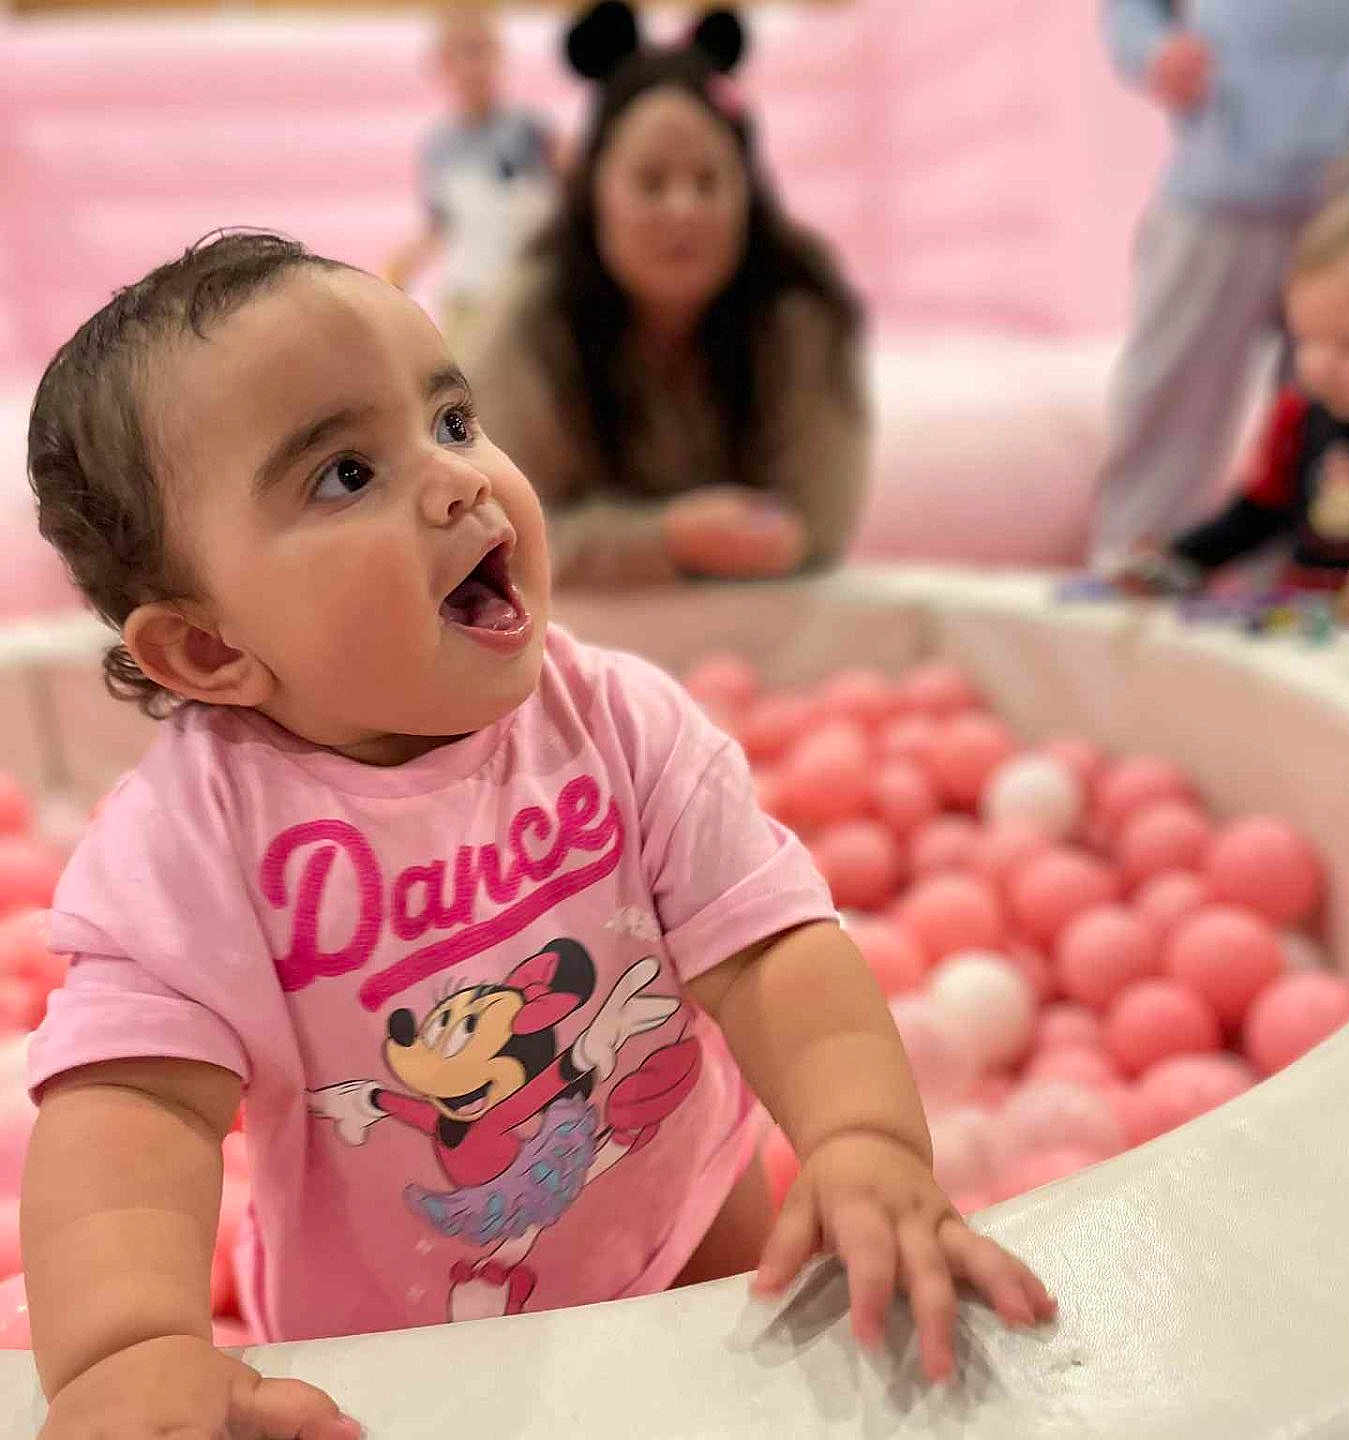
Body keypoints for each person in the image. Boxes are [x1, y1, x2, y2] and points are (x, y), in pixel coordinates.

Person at [21, 231, 1053, 1438]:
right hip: (393, 1340)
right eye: (346, 474)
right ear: (208, 651)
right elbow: (137, 1109)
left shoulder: (617, 720)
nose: (456, 480)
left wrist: (863, 1138)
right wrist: (129, 1349)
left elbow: (772, 949)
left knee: (736, 1403)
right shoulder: (190, 841)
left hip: (684, 1215)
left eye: (452, 421)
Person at [461, 3, 869, 588]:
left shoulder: (800, 314)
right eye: (651, 182)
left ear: (748, 197)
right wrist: (667, 538)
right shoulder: (529, 321)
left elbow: (821, 523)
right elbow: (490, 531)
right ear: (594, 193)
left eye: (708, 181)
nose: (684, 209)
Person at [1091, 1, 1349, 567]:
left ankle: (1310, 579)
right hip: (1223, 176)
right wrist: (1153, 51)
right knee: (1170, 390)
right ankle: (1136, 570)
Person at [1114, 173, 1349, 635]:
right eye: (1306, 340)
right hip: (1317, 641)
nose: (1320, 366)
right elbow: (1259, 513)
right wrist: (1182, 559)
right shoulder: (1301, 416)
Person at [385, 6, 556, 358]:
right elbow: (441, 224)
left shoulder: (530, 131)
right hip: (467, 296)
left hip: (524, 294)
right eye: (463, 51)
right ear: (442, 63)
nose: (475, 64)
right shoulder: (438, 146)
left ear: (499, 56)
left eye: (483, 50)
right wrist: (401, 267)